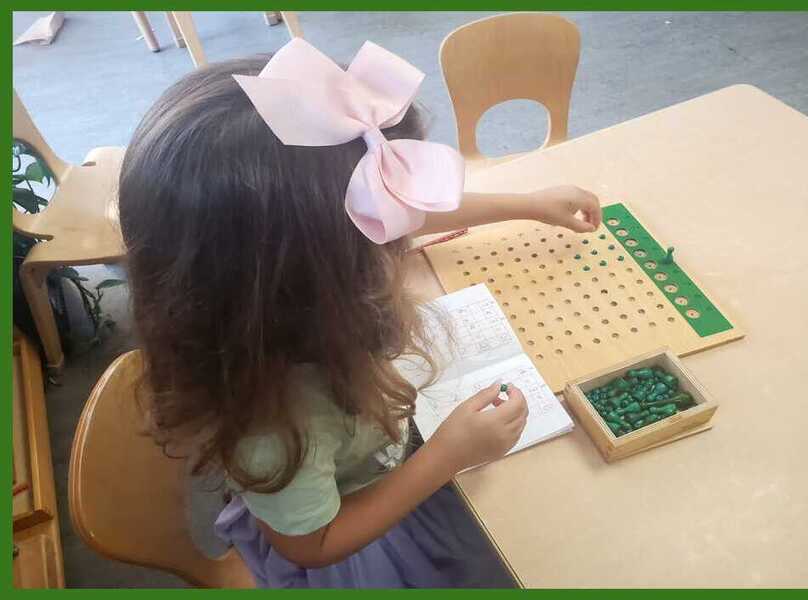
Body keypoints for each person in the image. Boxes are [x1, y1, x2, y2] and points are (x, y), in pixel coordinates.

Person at [117, 37, 601, 588]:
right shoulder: (275, 426)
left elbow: (390, 207)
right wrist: (446, 456)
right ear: (312, 283)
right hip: (357, 538)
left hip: (379, 455)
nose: (394, 248)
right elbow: (315, 546)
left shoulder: (274, 302)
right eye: (378, 244)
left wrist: (526, 204)